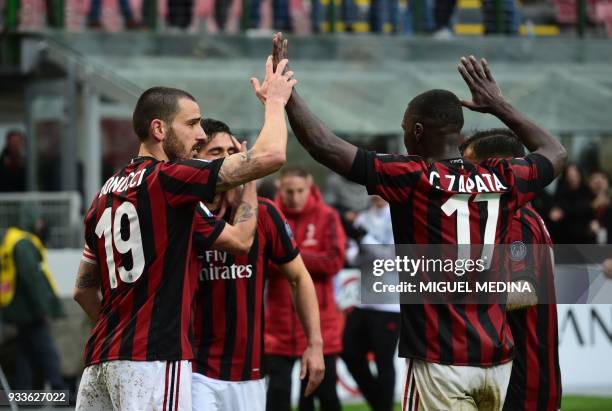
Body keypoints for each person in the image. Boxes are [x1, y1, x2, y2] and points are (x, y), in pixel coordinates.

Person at [257, 33, 566, 410]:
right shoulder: (502, 178)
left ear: (417, 132)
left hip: (441, 359)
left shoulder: (413, 176)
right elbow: (554, 151)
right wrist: (499, 105)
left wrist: (285, 97)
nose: (403, 135)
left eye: (405, 127)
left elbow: (324, 145)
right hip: (496, 363)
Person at [73, 56, 297, 411]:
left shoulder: (103, 196)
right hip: (153, 361)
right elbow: (270, 155)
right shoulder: (169, 179)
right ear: (160, 130)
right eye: (192, 123)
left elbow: (83, 289)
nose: (201, 134)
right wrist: (274, 103)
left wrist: (120, 337)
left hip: (100, 361)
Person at [190, 118, 324, 411]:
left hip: (250, 374)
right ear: (194, 159)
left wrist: (315, 344)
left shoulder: (265, 214)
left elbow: (300, 278)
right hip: (193, 371)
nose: (228, 159)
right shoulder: (183, 214)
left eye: (232, 151)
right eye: (216, 153)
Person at [461, 129, 562, 411]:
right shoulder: (514, 214)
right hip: (515, 377)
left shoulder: (516, 219)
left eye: (472, 168)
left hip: (523, 382)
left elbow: (524, 292)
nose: (464, 177)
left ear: (503, 169)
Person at [265, 166, 346, 411]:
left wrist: (291, 259)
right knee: (277, 396)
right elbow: (260, 261)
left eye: (300, 190)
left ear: (310, 187)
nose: (295, 196)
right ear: (280, 188)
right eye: (289, 191)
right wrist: (301, 260)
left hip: (319, 326)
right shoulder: (269, 214)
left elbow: (334, 261)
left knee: (323, 395)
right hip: (277, 326)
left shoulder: (327, 216)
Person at [342, 195, 400, 411]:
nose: (376, 193)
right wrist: (364, 248)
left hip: (389, 302)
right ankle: (379, 404)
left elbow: (392, 258)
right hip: (363, 299)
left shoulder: (399, 216)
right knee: (349, 351)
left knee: (383, 361)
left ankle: (382, 406)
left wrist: (365, 241)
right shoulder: (362, 218)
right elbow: (352, 256)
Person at [0, 206, 67, 391]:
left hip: (17, 306)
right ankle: (60, 391)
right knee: (47, 351)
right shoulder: (23, 244)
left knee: (25, 352)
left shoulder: (13, 240)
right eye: (39, 221)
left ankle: (24, 394)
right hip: (29, 309)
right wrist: (43, 308)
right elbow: (32, 279)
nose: (41, 225)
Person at [548, 163, 596, 245]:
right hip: (564, 238)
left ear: (580, 176)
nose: (572, 178)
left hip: (584, 239)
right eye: (570, 175)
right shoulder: (560, 193)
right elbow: (556, 213)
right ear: (566, 177)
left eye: (575, 175)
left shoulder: (587, 192)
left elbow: (589, 211)